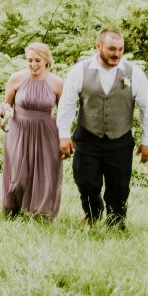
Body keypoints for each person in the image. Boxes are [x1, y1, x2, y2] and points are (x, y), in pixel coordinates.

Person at [58, 29, 148, 227]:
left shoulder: (134, 73)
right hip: (88, 136)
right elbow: (67, 103)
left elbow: (146, 108)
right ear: (98, 47)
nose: (117, 54)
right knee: (85, 180)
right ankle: (92, 213)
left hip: (121, 138)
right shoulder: (79, 70)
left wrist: (146, 141)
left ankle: (116, 221)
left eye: (120, 49)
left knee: (119, 184)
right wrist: (63, 135)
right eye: (111, 49)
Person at [1, 42, 63, 218]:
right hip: (18, 130)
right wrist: (1, 118)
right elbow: (6, 106)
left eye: (38, 60)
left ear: (46, 61)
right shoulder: (16, 79)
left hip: (46, 133)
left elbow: (64, 112)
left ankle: (41, 211)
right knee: (19, 175)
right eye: (30, 60)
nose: (33, 64)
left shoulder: (57, 83)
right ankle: (13, 209)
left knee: (44, 173)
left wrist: (65, 136)